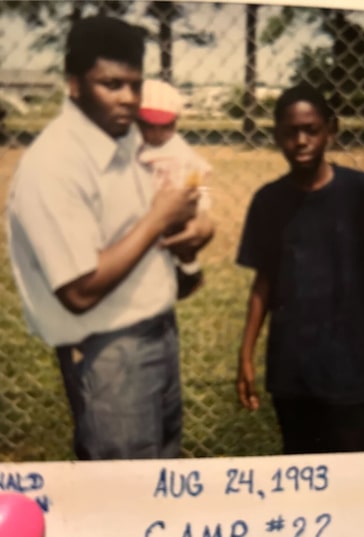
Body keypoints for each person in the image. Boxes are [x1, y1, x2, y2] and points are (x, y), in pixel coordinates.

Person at [6, 15, 213, 460]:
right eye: (111, 84)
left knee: (163, 476)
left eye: (135, 85)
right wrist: (159, 220)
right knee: (125, 493)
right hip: (105, 352)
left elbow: (146, 225)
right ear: (74, 84)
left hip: (156, 332)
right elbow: (79, 291)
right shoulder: (55, 164)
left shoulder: (121, 139)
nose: (128, 100)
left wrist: (193, 228)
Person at [235, 83, 364, 454]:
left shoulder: (361, 192)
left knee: (355, 473)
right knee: (300, 470)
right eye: (290, 131)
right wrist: (246, 355)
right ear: (278, 134)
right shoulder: (269, 201)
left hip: (347, 372)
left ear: (331, 129)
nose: (301, 140)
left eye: (311, 130)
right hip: (290, 371)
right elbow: (263, 282)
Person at [137, 78, 213, 298]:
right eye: (148, 125)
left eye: (166, 126)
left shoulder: (179, 149)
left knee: (182, 236)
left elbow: (198, 176)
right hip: (146, 205)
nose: (157, 134)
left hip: (177, 202)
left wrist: (201, 205)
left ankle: (190, 273)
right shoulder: (132, 147)